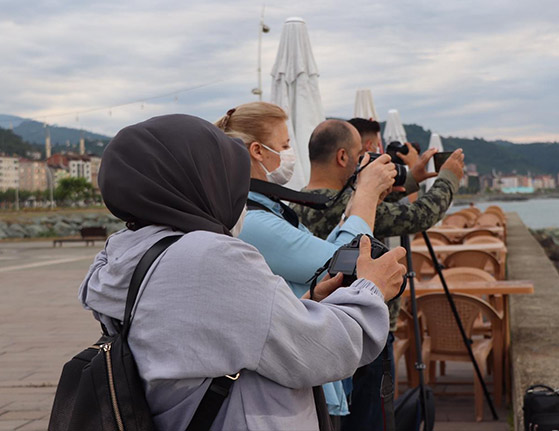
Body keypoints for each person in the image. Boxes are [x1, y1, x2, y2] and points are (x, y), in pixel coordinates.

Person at [79, 113, 406, 430]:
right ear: (196, 179)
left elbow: (214, 338)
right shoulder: (208, 257)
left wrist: (308, 304)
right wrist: (370, 288)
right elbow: (322, 351)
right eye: (219, 172)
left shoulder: (127, 251)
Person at [214, 103, 400, 426]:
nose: (290, 154)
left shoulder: (265, 209)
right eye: (284, 145)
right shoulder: (251, 222)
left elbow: (321, 253)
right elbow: (339, 262)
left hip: (304, 374)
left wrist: (354, 207)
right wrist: (366, 194)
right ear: (258, 151)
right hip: (295, 385)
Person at [290, 117, 465, 431]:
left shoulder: (297, 203)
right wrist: (448, 178)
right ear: (344, 158)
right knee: (372, 419)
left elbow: (370, 201)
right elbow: (420, 214)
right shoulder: (357, 210)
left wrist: (411, 178)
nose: (366, 163)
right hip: (366, 331)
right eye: (361, 155)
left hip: (323, 326)